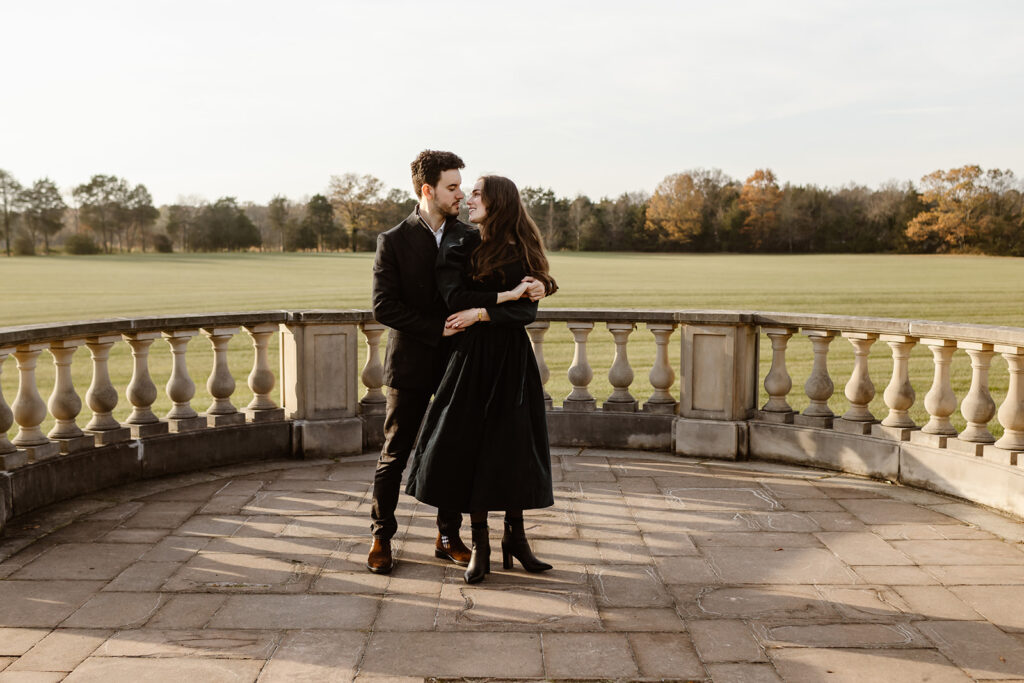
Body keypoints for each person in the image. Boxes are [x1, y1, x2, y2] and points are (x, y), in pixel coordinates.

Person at [368, 152, 545, 574]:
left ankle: (448, 536)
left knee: (456, 449)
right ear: (428, 190)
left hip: (463, 362)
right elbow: (383, 307)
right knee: (395, 451)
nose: (460, 194)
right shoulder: (393, 240)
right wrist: (438, 328)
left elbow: (505, 270)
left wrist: (541, 284)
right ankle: (381, 535)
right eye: (452, 187)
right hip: (412, 361)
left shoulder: (470, 235)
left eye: (462, 186)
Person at [406, 174, 558, 584]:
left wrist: (485, 313)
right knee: (472, 449)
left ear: (497, 201)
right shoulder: (460, 243)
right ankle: (482, 546)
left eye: (476, 193)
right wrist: (504, 299)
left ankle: (517, 540)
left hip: (512, 360)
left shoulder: (523, 247)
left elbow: (529, 313)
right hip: (472, 360)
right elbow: (456, 301)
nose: (469, 199)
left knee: (512, 449)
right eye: (468, 192)